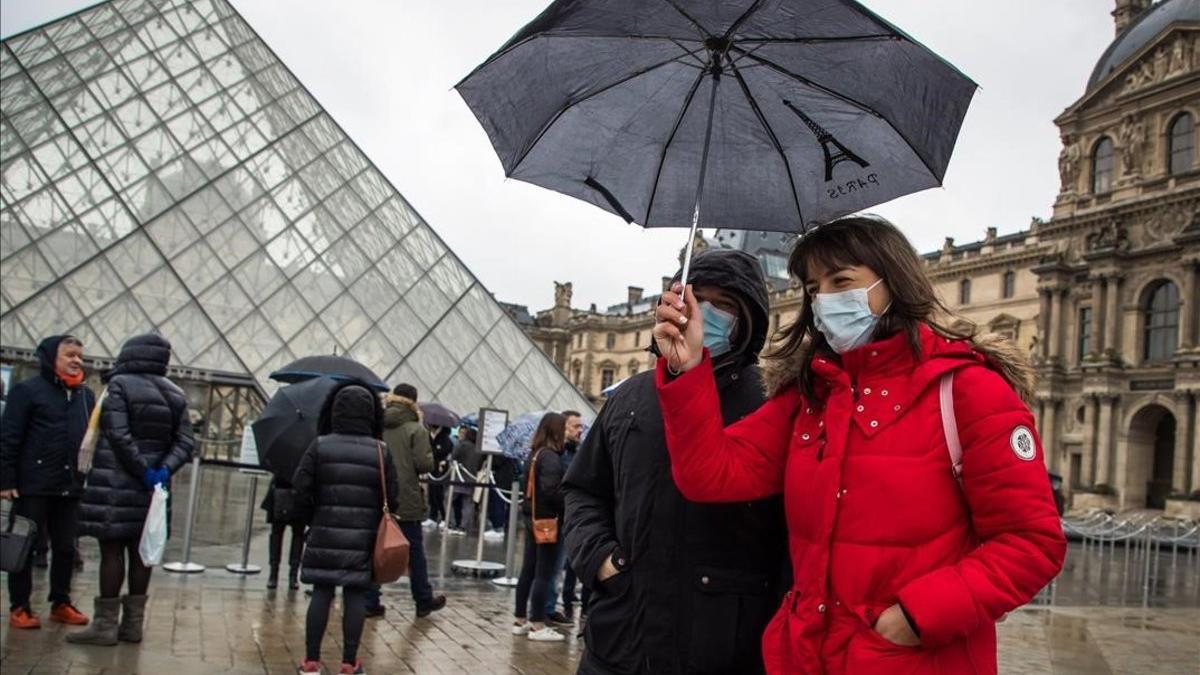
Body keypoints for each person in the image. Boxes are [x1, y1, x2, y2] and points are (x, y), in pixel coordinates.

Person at [652, 217, 1067, 674]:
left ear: (894, 281)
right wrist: (687, 370)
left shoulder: (968, 391)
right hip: (808, 656)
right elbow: (709, 475)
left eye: (841, 281)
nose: (824, 299)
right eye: (813, 287)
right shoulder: (809, 395)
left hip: (914, 659)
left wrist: (916, 616)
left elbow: (1032, 542)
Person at [564, 250, 790, 673]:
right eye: (694, 297)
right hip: (622, 636)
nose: (705, 312)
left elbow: (796, 532)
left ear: (749, 317)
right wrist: (600, 560)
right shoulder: (629, 397)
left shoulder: (773, 403)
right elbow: (583, 490)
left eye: (724, 303)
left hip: (724, 644)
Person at [69, 333, 194, 646]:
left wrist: (142, 470)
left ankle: (105, 627)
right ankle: (133, 627)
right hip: (156, 490)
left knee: (112, 550)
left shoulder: (119, 386)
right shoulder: (176, 393)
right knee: (142, 553)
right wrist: (163, 470)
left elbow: (118, 434)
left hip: (116, 481)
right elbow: (185, 443)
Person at [293, 381, 400, 675]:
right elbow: (394, 498)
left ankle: (311, 662)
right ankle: (348, 663)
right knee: (355, 595)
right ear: (370, 415)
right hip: (363, 536)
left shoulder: (320, 445)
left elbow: (300, 490)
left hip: (324, 530)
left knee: (321, 592)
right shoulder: (381, 451)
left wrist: (311, 518)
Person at [1, 335, 96, 630]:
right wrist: (6, 480)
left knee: (67, 548)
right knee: (25, 546)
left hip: (69, 484)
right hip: (33, 483)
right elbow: (8, 437)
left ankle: (61, 602)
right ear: (50, 357)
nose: (76, 360)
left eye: (79, 355)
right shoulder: (27, 391)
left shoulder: (85, 396)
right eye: (69, 354)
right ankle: (20, 606)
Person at [364, 383, 446, 619]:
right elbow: (424, 464)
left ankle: (370, 600)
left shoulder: (376, 424)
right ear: (414, 402)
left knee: (376, 547)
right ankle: (422, 599)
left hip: (377, 492)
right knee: (414, 551)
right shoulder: (415, 429)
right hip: (405, 496)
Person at [512, 412, 567, 642]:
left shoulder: (534, 454)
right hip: (547, 520)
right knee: (543, 572)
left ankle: (520, 619)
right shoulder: (551, 457)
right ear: (556, 430)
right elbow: (552, 490)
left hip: (532, 516)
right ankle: (537, 624)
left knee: (528, 569)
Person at [544, 409, 584, 626]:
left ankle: (562, 599)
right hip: (560, 516)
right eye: (575, 426)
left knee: (567, 563)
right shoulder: (558, 455)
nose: (580, 431)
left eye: (581, 426)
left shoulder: (576, 451)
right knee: (554, 565)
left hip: (573, 516)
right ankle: (547, 608)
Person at [260, 474, 307, 591]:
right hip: (282, 493)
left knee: (296, 536)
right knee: (279, 535)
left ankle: (290, 575)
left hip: (297, 494)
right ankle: (275, 573)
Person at [449, 425, 481, 534]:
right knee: (468, 503)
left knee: (448, 500)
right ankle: (464, 526)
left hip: (458, 477)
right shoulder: (478, 449)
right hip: (472, 478)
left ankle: (452, 523)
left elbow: (453, 457)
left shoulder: (461, 445)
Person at [425, 425, 453, 528]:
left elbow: (445, 452)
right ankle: (432, 516)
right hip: (432, 468)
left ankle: (445, 517)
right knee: (432, 493)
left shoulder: (445, 439)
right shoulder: (430, 437)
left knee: (439, 494)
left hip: (441, 470)